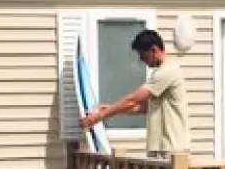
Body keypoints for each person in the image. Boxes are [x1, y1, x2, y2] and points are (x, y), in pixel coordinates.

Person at [79, 29, 190, 157]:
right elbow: (143, 108)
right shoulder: (161, 72)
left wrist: (98, 117)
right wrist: (111, 109)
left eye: (143, 55)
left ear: (154, 50)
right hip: (161, 147)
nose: (141, 59)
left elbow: (133, 100)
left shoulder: (168, 71)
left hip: (172, 149)